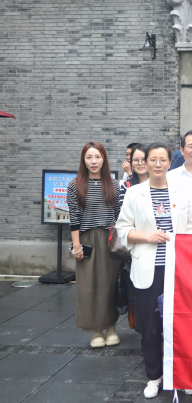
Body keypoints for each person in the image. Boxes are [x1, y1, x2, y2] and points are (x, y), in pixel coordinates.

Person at [116, 142, 192, 399]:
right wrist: (147, 237)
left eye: (162, 159)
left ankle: (184, 375)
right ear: (145, 162)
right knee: (150, 326)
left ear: (169, 163)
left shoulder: (182, 191)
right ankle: (154, 376)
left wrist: (182, 243)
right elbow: (122, 229)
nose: (157, 164)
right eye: (152, 159)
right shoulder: (135, 193)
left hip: (178, 269)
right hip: (147, 268)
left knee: (182, 324)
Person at [67, 142, 121, 348]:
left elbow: (118, 215)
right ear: (83, 160)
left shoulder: (113, 184)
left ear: (104, 159)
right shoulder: (75, 185)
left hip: (109, 239)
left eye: (97, 156)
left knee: (110, 284)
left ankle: (111, 327)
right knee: (88, 286)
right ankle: (96, 330)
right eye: (89, 157)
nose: (93, 161)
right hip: (86, 239)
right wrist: (76, 245)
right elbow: (74, 217)